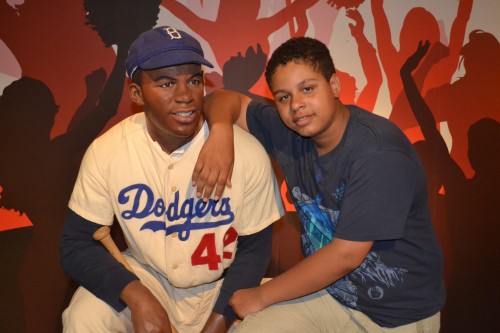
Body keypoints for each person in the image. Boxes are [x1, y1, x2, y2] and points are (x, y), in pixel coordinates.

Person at [193, 36, 445, 332]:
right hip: (331, 293)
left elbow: (346, 255)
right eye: (283, 97)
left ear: (335, 86)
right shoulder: (289, 132)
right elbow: (223, 99)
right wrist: (221, 133)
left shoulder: (379, 152)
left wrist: (261, 295)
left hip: (395, 313)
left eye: (308, 89)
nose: (296, 105)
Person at [60, 26, 284, 333]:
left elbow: (255, 251)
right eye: (166, 83)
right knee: (84, 317)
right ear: (137, 94)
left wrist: (218, 323)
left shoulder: (243, 151)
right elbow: (76, 245)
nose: (185, 96)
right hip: (145, 278)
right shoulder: (108, 151)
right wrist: (139, 298)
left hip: (224, 288)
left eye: (193, 80)